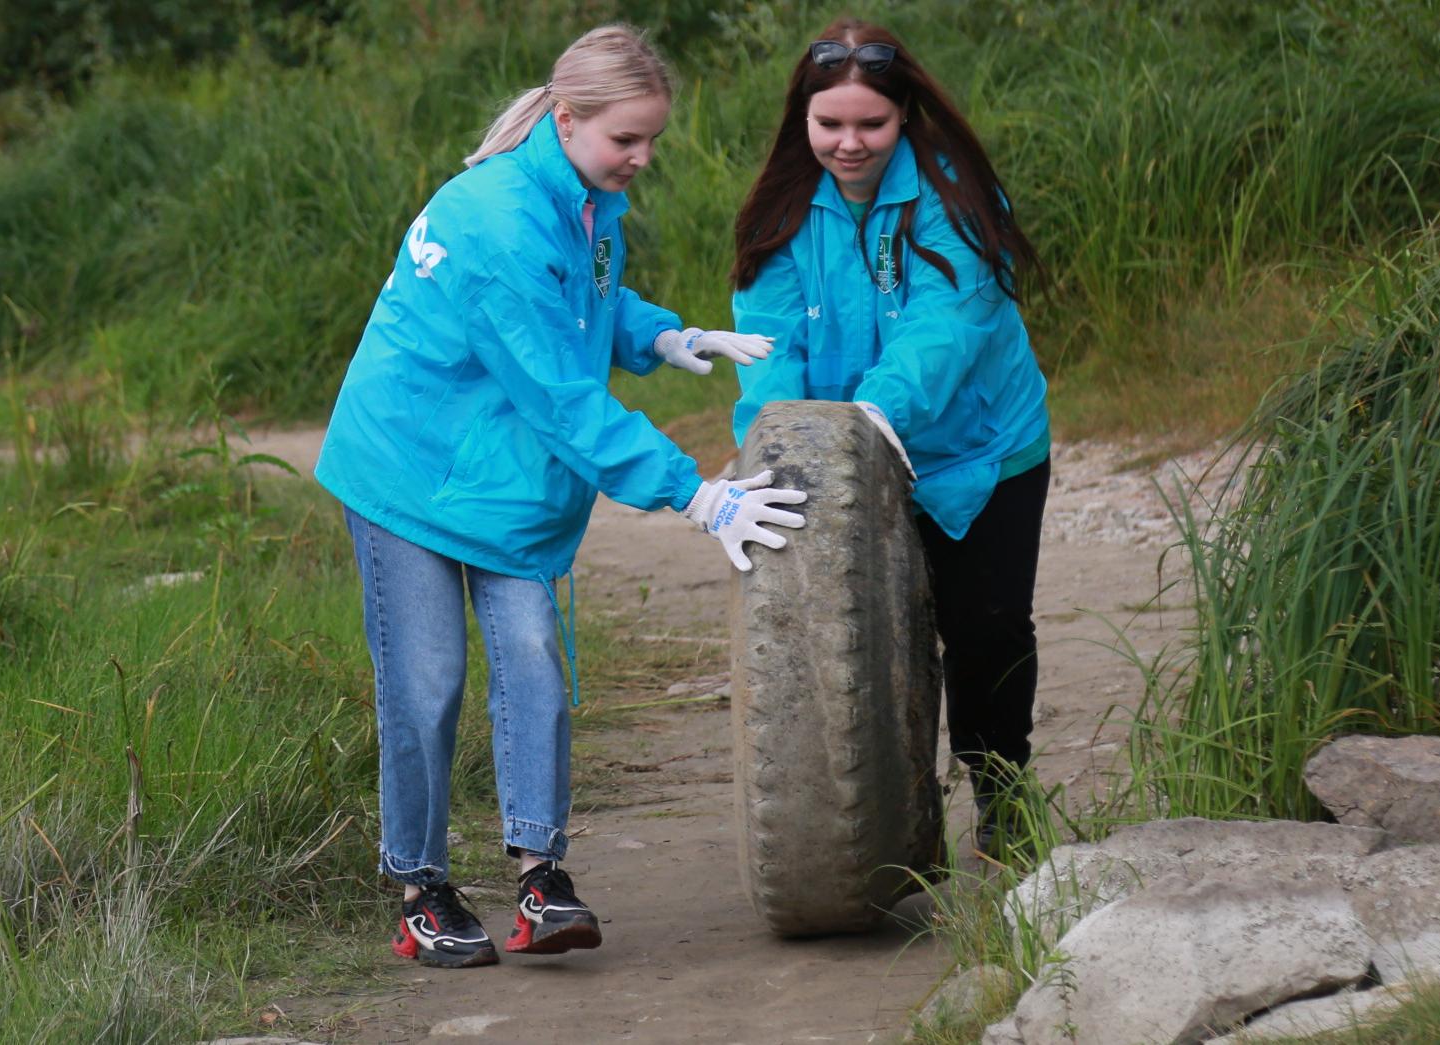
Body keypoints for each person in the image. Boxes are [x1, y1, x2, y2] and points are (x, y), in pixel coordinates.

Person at [316, 24, 810, 969]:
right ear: (569, 117)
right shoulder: (497, 218)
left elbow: (586, 300)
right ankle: (421, 890)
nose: (643, 157)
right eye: (628, 138)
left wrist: (660, 335)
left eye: (651, 138)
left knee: (534, 659)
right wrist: (695, 495)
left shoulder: (583, 196)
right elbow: (560, 398)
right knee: (427, 680)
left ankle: (541, 878)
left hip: (497, 479)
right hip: (407, 467)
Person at [726, 18, 1050, 863]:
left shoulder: (956, 195)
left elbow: (949, 324)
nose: (850, 143)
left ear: (904, 114)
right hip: (843, 461)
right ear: (802, 118)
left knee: (984, 631)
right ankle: (893, 828)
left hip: (979, 452)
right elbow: (768, 348)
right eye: (829, 123)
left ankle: (1002, 791)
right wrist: (777, 443)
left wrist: (873, 414)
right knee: (858, 638)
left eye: (870, 123)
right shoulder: (779, 212)